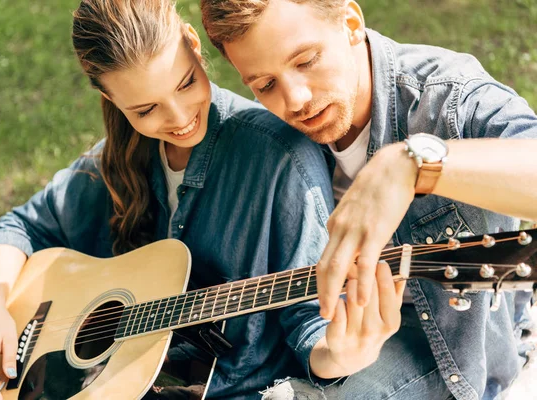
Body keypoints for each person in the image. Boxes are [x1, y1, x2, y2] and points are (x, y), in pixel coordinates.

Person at [0, 1, 406, 399]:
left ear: (193, 43)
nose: (179, 117)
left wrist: (338, 355)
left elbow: (308, 323)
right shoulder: (124, 155)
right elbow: (21, 227)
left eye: (185, 84)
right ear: (109, 97)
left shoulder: (279, 158)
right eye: (145, 109)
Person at [200, 0, 537, 399]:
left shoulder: (449, 99)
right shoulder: (272, 137)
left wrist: (411, 165)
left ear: (351, 22)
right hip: (321, 336)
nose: (295, 99)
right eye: (265, 85)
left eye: (305, 61)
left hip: (445, 340)